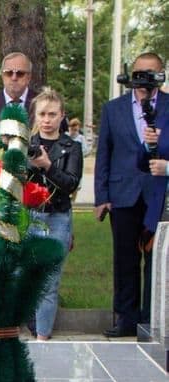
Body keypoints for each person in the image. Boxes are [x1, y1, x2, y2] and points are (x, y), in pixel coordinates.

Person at [95, 52, 169, 337]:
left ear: (161, 75)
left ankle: (150, 320)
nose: (143, 79)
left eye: (150, 73)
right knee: (124, 259)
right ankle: (125, 318)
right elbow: (104, 154)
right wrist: (102, 196)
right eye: (139, 72)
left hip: (159, 196)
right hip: (123, 194)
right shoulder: (113, 109)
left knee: (156, 259)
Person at [26, 88, 83, 341]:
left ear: (62, 116)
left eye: (52, 114)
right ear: (35, 116)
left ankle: (43, 337)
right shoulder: (25, 144)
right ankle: (30, 325)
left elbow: (71, 183)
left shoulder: (71, 147)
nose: (47, 119)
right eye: (42, 114)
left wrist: (48, 166)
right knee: (24, 276)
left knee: (49, 281)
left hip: (57, 216)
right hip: (28, 216)